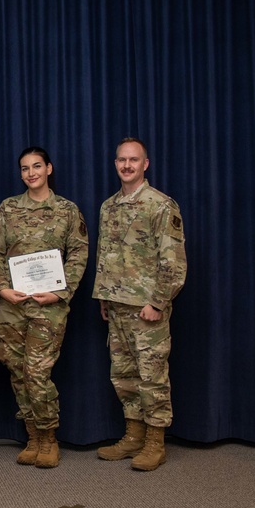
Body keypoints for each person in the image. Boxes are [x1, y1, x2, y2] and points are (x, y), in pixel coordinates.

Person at [0, 147, 89, 468]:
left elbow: (78, 253)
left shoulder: (67, 210)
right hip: (11, 305)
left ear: (48, 168)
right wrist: (2, 289)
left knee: (37, 371)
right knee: (17, 371)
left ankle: (49, 437)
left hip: (48, 305)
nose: (31, 173)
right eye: (24, 168)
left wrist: (61, 292)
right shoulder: (7, 209)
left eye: (36, 166)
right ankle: (32, 435)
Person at [92, 138, 186, 471]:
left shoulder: (160, 205)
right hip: (116, 304)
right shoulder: (109, 206)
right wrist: (104, 296)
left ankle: (155, 443)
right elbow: (107, 255)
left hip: (147, 308)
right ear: (115, 163)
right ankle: (133, 436)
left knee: (152, 376)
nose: (127, 165)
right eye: (121, 160)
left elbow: (173, 261)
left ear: (145, 164)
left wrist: (158, 303)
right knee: (124, 376)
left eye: (134, 160)